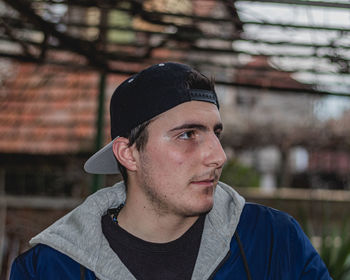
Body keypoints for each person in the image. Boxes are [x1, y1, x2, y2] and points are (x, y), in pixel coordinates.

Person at [10, 62, 330, 280]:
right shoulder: (50, 268)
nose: (218, 156)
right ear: (129, 154)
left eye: (215, 133)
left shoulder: (274, 242)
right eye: (187, 135)